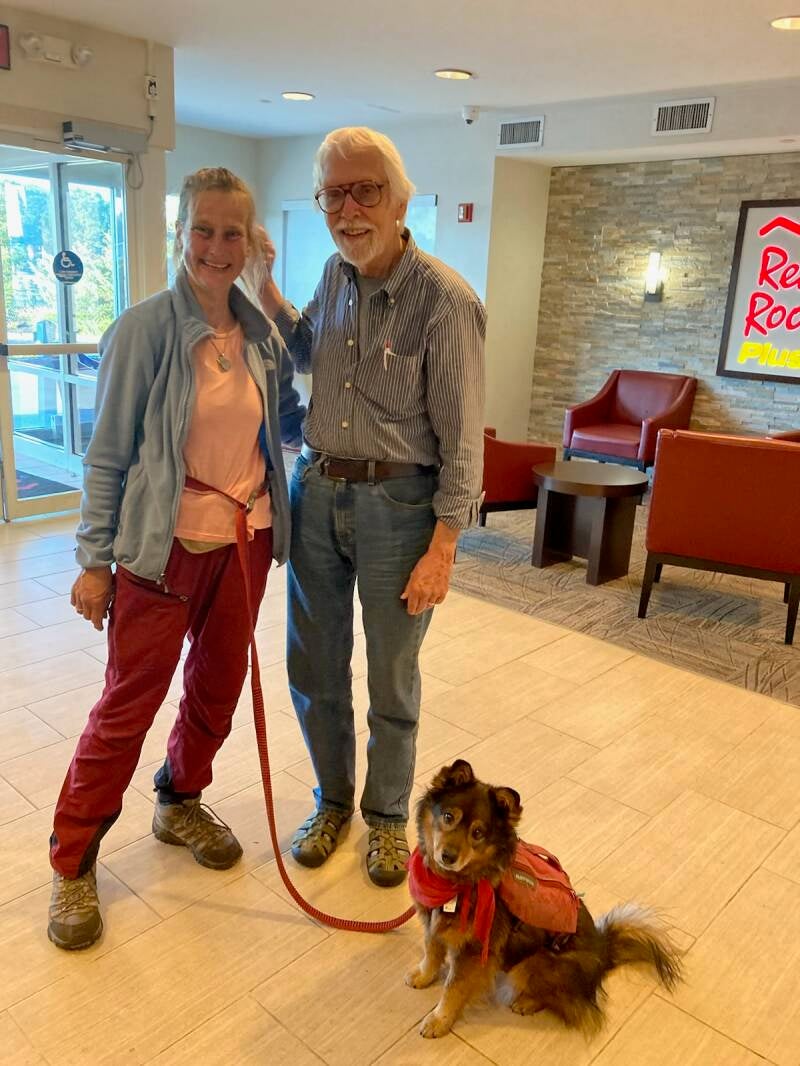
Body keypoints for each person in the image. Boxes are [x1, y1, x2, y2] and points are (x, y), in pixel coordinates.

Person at [47, 167, 305, 950]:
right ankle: (71, 860)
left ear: (251, 244)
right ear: (181, 233)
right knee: (128, 704)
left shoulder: (260, 336)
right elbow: (106, 456)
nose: (217, 247)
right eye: (204, 230)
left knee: (217, 689)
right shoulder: (143, 330)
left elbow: (286, 423)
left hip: (245, 541)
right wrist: (94, 560)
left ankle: (180, 800)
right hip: (160, 550)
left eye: (233, 234)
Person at [259, 127, 485, 887]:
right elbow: (308, 355)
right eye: (333, 194)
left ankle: (387, 817)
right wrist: (266, 289)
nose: (348, 210)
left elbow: (463, 442)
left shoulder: (446, 302)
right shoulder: (334, 274)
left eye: (366, 191)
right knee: (313, 666)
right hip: (317, 490)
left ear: (399, 202)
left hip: (401, 506)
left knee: (391, 677)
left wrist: (443, 547)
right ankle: (332, 801)